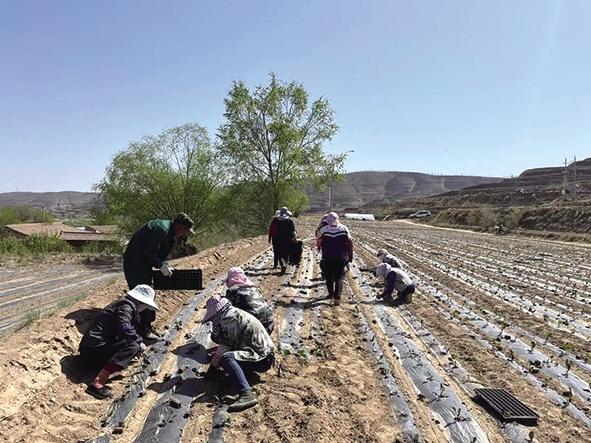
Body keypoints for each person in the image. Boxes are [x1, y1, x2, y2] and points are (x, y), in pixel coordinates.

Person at [78, 285, 158, 399]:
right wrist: (138, 341)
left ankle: (108, 368)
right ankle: (97, 383)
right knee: (133, 345)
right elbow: (125, 327)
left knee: (132, 343)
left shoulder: (121, 305)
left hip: (91, 350)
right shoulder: (126, 306)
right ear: (139, 302)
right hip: (92, 351)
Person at [122, 213, 194, 338]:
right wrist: (160, 266)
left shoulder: (168, 231)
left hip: (142, 263)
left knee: (149, 291)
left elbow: (158, 254)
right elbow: (149, 253)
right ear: (179, 227)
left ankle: (147, 325)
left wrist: (163, 265)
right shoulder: (161, 229)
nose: (185, 234)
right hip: (135, 264)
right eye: (186, 231)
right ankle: (143, 330)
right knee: (142, 294)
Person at [203, 296, 275, 412]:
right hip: (263, 354)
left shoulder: (230, 320)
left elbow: (225, 348)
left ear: (217, 314)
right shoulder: (233, 313)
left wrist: (212, 370)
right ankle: (244, 374)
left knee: (226, 358)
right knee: (225, 359)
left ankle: (247, 394)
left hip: (262, 359)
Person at [316, 212, 353, 304]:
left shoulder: (324, 229)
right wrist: (350, 255)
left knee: (329, 277)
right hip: (341, 257)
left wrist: (321, 225)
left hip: (328, 256)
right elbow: (350, 242)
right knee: (339, 277)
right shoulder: (344, 228)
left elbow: (317, 235)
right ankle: (337, 298)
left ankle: (331, 296)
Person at [223, 267, 274, 333]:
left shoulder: (232, 291)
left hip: (256, 329)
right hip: (269, 324)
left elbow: (228, 313)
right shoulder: (254, 288)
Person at [274, 207, 296, 274]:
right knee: (286, 253)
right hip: (288, 239)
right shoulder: (290, 220)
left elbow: (275, 229)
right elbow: (293, 230)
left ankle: (282, 265)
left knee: (280, 253)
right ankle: (285, 264)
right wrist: (294, 238)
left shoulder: (276, 220)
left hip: (279, 239)